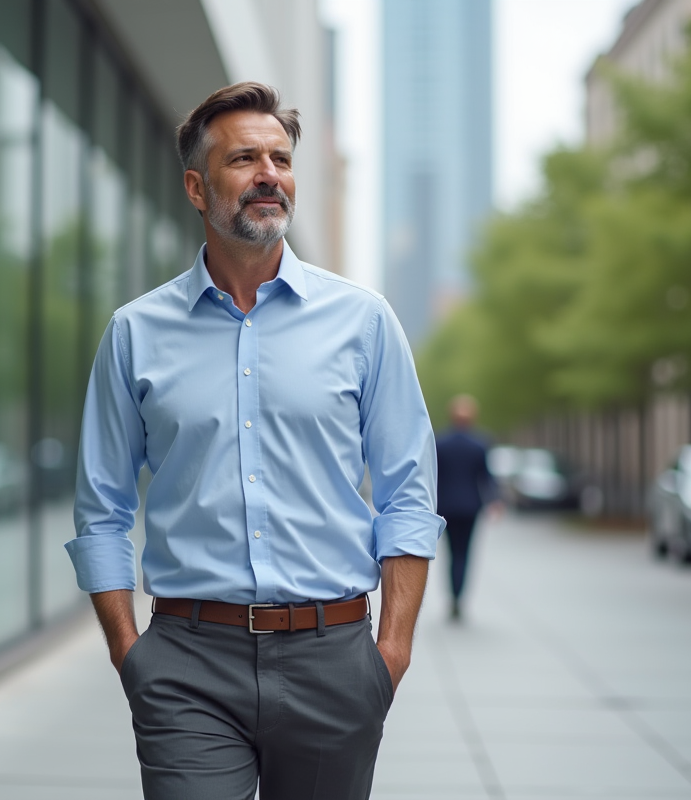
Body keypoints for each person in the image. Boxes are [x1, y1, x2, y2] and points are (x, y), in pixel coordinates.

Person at [65, 82, 444, 800]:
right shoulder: (135, 333)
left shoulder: (364, 323)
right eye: (244, 158)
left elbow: (408, 493)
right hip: (186, 666)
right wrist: (129, 654)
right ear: (196, 187)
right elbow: (102, 508)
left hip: (333, 658)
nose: (270, 174)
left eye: (281, 158)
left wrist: (389, 652)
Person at [434, 394, 501, 621]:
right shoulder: (480, 443)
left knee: (451, 553)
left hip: (446, 507)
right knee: (465, 553)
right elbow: (486, 476)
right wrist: (494, 500)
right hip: (471, 506)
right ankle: (459, 597)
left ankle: (452, 597)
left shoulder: (439, 442)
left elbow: (433, 477)